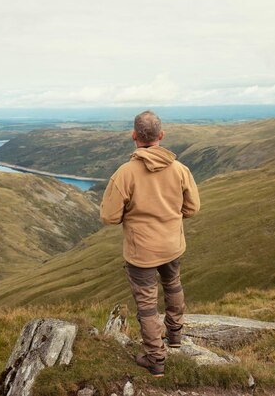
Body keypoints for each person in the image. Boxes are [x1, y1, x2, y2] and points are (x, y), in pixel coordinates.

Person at [99, 110, 200, 377]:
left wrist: (131, 217)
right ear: (161, 136)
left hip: (141, 251)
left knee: (146, 304)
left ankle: (156, 359)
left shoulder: (125, 174)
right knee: (173, 284)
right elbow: (192, 208)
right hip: (172, 245)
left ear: (134, 136)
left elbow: (109, 217)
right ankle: (175, 337)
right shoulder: (180, 170)